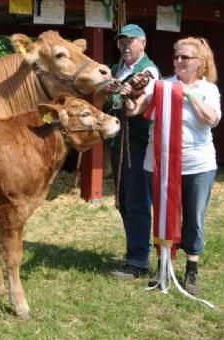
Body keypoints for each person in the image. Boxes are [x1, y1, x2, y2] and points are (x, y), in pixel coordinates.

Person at [128, 37, 221, 294]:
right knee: (162, 215)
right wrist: (128, 99)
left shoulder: (208, 89)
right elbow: (137, 109)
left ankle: (192, 269)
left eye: (185, 57)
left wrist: (189, 95)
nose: (179, 61)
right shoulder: (161, 86)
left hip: (197, 165)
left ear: (199, 62)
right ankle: (163, 263)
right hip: (159, 163)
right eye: (176, 56)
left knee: (193, 217)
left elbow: (211, 119)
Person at [102, 24, 160, 280]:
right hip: (118, 144)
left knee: (136, 200)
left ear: (143, 43)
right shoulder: (115, 70)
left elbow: (142, 98)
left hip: (137, 144)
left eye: (130, 41)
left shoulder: (147, 70)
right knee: (124, 200)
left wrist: (130, 94)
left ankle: (138, 262)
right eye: (121, 42)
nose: (125, 46)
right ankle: (135, 251)